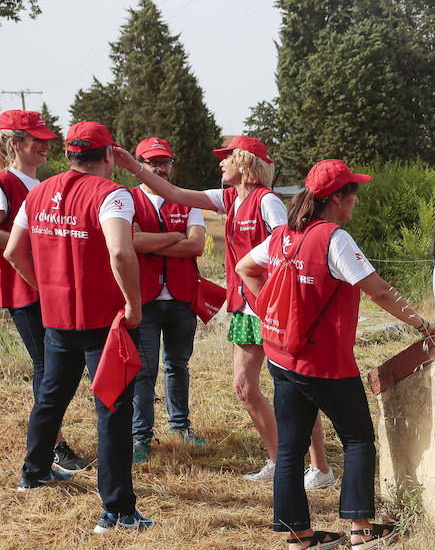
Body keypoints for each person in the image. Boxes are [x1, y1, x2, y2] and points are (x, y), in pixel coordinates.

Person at [234, 160, 435, 550]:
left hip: (282, 357)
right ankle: (362, 531)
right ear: (336, 199)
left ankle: (299, 539)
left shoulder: (282, 236)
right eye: (353, 193)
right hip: (325, 363)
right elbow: (378, 291)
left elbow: (246, 266)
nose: (357, 200)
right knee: (359, 437)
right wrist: (421, 323)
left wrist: (266, 309)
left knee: (291, 448)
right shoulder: (335, 239)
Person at [112, 137, 334, 489]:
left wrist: (256, 273)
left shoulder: (269, 201)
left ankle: (319, 467)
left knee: (293, 388)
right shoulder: (229, 198)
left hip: (271, 307)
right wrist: (133, 168)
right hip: (245, 307)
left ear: (245, 164)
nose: (221, 163)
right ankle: (279, 460)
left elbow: (284, 244)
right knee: (245, 388)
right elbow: (175, 193)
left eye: (227, 157)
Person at [2, 121, 152, 533]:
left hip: (57, 320)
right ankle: (118, 511)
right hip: (104, 322)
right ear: (108, 156)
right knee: (113, 409)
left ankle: (34, 473)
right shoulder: (112, 194)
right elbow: (121, 251)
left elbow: (14, 251)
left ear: (69, 154)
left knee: (51, 397)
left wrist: (45, 290)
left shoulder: (38, 192)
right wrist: (134, 305)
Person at [0, 110, 90, 472]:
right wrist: (39, 245)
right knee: (47, 364)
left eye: (45, 140)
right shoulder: (1, 185)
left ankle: (50, 442)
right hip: (20, 285)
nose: (45, 146)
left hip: (44, 282)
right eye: (36, 141)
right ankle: (52, 448)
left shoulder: (39, 184)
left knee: (56, 364)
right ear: (15, 144)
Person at [127, 137, 208, 463]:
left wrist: (148, 243)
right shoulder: (127, 200)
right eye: (152, 162)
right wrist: (173, 238)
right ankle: (140, 436)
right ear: (140, 167)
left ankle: (180, 425)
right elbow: (127, 242)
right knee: (143, 371)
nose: (160, 167)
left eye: (164, 162)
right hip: (143, 299)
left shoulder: (187, 201)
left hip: (181, 298)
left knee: (178, 365)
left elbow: (196, 246)